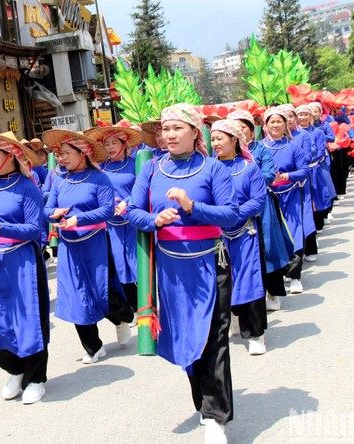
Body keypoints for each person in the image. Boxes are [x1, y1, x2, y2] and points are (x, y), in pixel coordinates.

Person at [127, 104, 238, 444]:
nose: (170, 135)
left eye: (177, 128)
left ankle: (216, 416)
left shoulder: (213, 169)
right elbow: (133, 211)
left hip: (209, 263)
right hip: (171, 267)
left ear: (195, 132)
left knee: (214, 339)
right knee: (186, 336)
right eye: (165, 129)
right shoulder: (151, 170)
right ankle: (203, 404)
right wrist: (153, 221)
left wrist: (193, 207)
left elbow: (231, 215)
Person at [0, 130, 50, 404]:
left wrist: (2, 227)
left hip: (22, 261)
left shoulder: (27, 188)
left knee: (28, 322)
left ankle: (36, 378)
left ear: (11, 156)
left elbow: (33, 229)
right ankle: (15, 370)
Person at [42, 129, 134, 364]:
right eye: (59, 154)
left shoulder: (99, 178)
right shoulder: (59, 179)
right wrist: (54, 213)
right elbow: (47, 208)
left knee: (101, 290)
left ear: (83, 153)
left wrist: (79, 219)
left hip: (95, 241)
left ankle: (121, 318)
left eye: (66, 153)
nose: (61, 158)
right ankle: (93, 347)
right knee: (76, 295)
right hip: (69, 246)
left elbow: (105, 210)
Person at [210, 120, 268, 356]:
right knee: (223, 282)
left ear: (234, 140)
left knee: (249, 280)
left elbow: (258, 200)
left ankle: (256, 334)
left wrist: (233, 214)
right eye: (212, 139)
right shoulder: (209, 169)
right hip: (217, 234)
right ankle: (232, 319)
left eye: (219, 139)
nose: (215, 144)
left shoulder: (249, 168)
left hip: (245, 232)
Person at [227, 110, 290, 311]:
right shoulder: (221, 156)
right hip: (233, 210)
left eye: (243, 127)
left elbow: (269, 175)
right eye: (234, 128)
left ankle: (273, 291)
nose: (239, 131)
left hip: (261, 206)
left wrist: (247, 185)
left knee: (268, 248)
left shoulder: (261, 151)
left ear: (251, 131)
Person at [87, 123, 144, 315]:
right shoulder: (101, 168)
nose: (110, 147)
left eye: (114, 142)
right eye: (106, 143)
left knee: (137, 264)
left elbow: (141, 188)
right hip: (112, 224)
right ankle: (134, 308)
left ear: (124, 143)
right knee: (120, 267)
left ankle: (147, 304)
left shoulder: (136, 162)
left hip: (133, 221)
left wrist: (126, 202)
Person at [262, 108, 308, 295]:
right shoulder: (259, 148)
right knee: (273, 239)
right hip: (268, 198)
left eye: (279, 121)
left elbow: (304, 170)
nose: (275, 125)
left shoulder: (293, 146)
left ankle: (295, 276)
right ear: (265, 125)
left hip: (290, 195)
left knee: (294, 234)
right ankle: (276, 280)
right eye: (271, 122)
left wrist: (286, 176)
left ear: (285, 124)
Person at [280, 104, 317, 265]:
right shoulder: (267, 143)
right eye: (285, 116)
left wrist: (294, 163)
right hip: (278, 188)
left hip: (298, 183)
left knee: (303, 216)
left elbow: (307, 157)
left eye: (290, 116)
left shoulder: (302, 136)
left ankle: (309, 249)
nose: (288, 120)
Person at [297, 105, 336, 257]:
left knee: (318, 197)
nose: (303, 117)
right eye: (300, 115)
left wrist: (308, 161)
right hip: (301, 173)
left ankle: (318, 223)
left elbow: (320, 151)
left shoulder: (318, 132)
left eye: (306, 114)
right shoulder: (293, 135)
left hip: (314, 168)